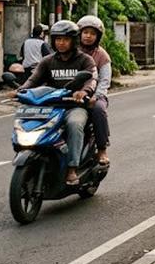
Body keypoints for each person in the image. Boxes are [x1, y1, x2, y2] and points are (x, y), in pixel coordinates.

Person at [15, 21, 97, 185]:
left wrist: (84, 92)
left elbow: (91, 79)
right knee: (28, 124)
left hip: (74, 106)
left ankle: (72, 168)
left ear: (73, 41)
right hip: (49, 107)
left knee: (75, 124)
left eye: (65, 39)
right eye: (58, 39)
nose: (61, 43)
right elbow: (33, 80)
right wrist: (20, 91)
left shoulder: (85, 60)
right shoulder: (47, 61)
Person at [78, 16, 112, 166]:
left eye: (92, 33)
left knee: (99, 110)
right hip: (70, 96)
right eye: (85, 32)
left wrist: (96, 96)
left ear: (98, 37)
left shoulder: (102, 55)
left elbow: (105, 80)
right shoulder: (70, 51)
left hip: (94, 96)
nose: (88, 36)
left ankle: (102, 148)